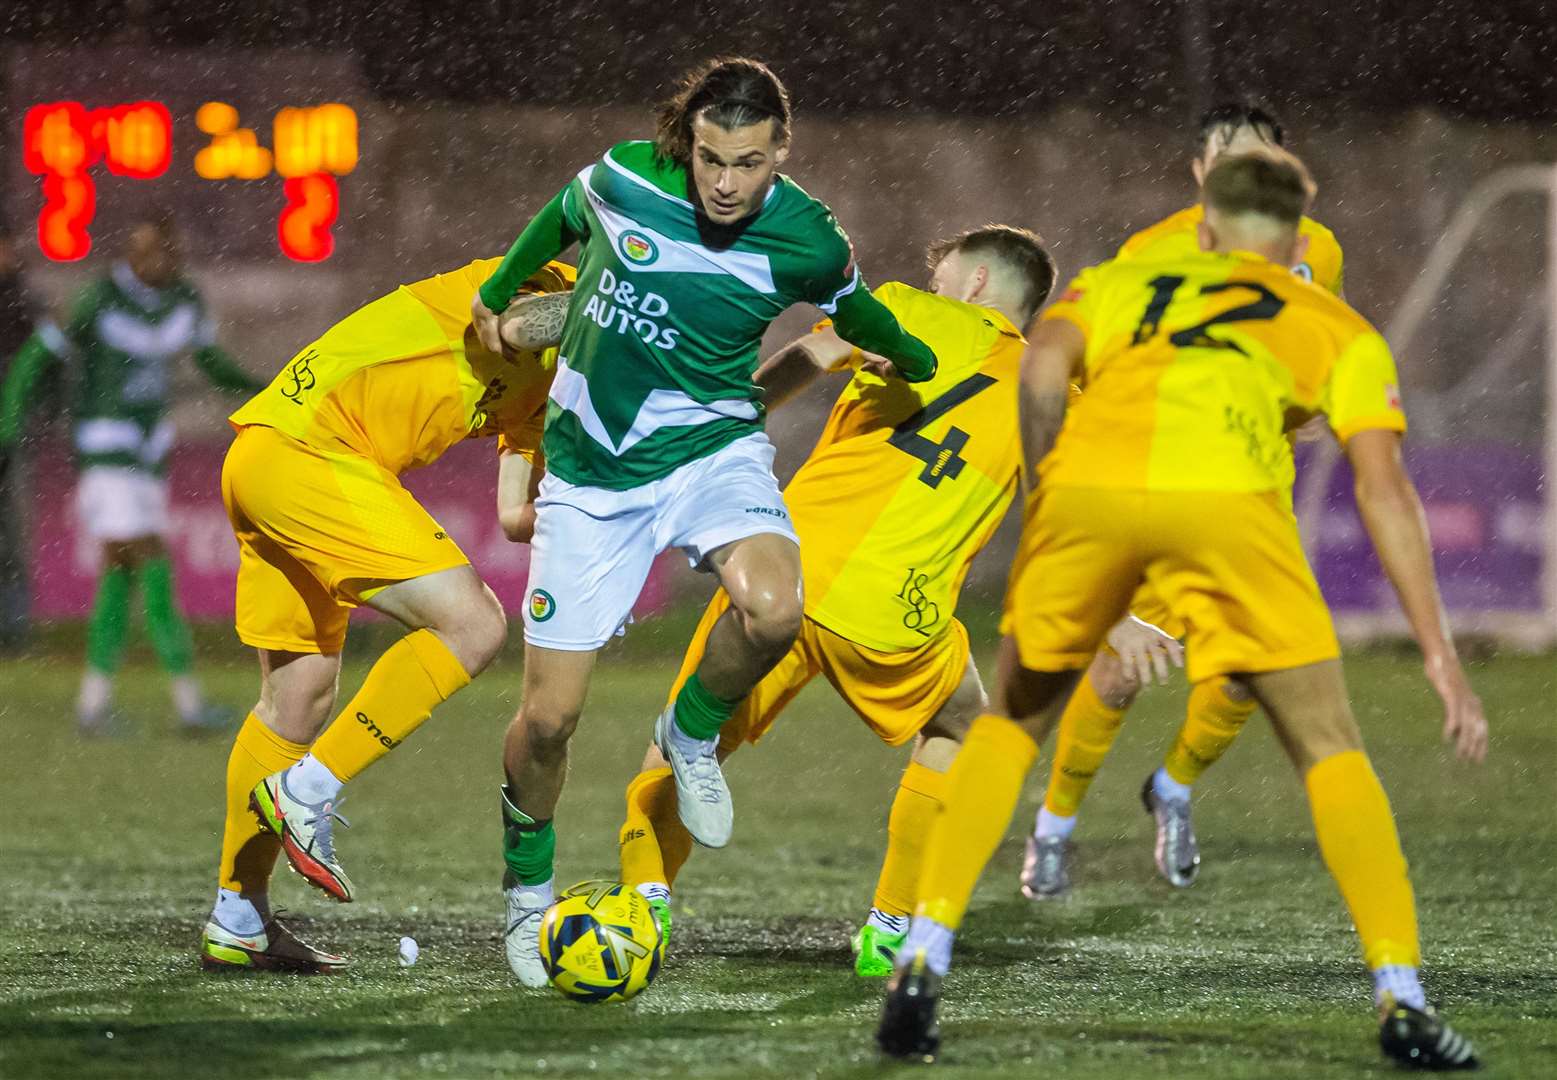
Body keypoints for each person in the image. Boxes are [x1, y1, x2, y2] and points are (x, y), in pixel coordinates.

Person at [878, 151, 1486, 1071]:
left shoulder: (1122, 280)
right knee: (1329, 749)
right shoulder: (1330, 323)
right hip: (1226, 502)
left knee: (1007, 729)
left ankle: (922, 955)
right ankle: (1400, 998)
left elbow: (1041, 362)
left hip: (1091, 490)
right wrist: (1437, 650)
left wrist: (1046, 490)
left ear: (1202, 226)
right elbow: (1384, 489)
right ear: (1294, 243)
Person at [470, 56, 939, 988]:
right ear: (688, 144)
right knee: (550, 720)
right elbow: (552, 227)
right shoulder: (623, 178)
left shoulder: (809, 241)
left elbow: (876, 325)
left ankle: (689, 734)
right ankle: (528, 897)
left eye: (752, 163)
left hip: (710, 448)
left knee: (774, 611)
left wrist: (911, 358)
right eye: (714, 159)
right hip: (592, 470)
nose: (728, 183)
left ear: (782, 154)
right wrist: (501, 297)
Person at [618, 227, 1176, 974]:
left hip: (784, 569)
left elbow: (805, 359)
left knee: (682, 742)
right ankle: (889, 924)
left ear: (973, 282)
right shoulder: (1049, 387)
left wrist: (721, 423)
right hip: (895, 617)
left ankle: (641, 911)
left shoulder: (899, 309)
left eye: (943, 275)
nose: (935, 286)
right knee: (962, 729)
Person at [200, 257, 575, 973]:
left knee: (296, 697)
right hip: (312, 451)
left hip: (270, 454)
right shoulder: (542, 281)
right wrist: (639, 300)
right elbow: (519, 324)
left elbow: (512, 506)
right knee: (473, 624)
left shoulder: (568, 372)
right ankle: (309, 790)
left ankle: (238, 916)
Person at [1022, 103, 1352, 898]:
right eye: (1228, 158)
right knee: (1119, 672)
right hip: (1159, 483)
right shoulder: (1150, 253)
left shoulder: (1320, 251)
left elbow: (1306, 346)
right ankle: (1053, 825)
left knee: (1247, 673)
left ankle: (1171, 786)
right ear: (1198, 174)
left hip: (1252, 491)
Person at [0, 214, 262, 734]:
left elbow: (211, 363)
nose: (150, 260)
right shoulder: (98, 299)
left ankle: (94, 707)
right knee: (151, 558)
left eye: (160, 250)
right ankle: (189, 706)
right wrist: (9, 424)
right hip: (104, 450)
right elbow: (34, 359)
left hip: (146, 457)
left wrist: (267, 388)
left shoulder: (182, 298)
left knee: (119, 576)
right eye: (139, 249)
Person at [0, 224, 40, 649]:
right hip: (11, 429)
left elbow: (36, 369)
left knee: (12, 534)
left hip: (11, 435)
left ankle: (14, 626)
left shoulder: (20, 301)